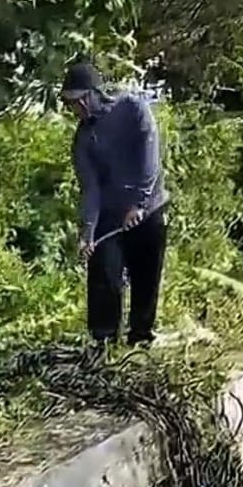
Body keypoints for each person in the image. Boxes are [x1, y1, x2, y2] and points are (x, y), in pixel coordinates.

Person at [61, 61, 169, 347]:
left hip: (148, 209)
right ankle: (104, 342)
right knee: (104, 273)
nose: (78, 107)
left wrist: (138, 204)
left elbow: (149, 160)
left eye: (81, 99)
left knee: (145, 275)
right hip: (110, 216)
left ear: (96, 93)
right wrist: (88, 232)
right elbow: (91, 188)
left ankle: (140, 338)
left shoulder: (133, 109)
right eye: (71, 103)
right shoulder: (83, 139)